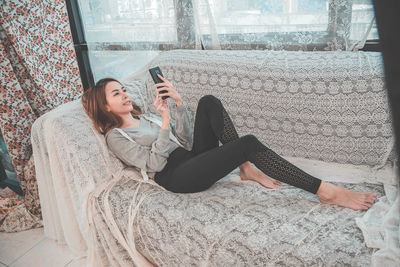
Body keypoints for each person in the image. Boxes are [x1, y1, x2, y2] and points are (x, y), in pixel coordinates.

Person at [82, 76, 377, 211]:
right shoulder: (115, 138)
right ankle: (324, 190)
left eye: (123, 90)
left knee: (208, 101)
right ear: (105, 106)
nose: (125, 95)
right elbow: (156, 163)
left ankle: (246, 167)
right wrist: (164, 124)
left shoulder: (144, 117)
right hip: (176, 177)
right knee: (247, 142)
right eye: (116, 94)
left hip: (189, 158)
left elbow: (183, 140)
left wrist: (179, 105)